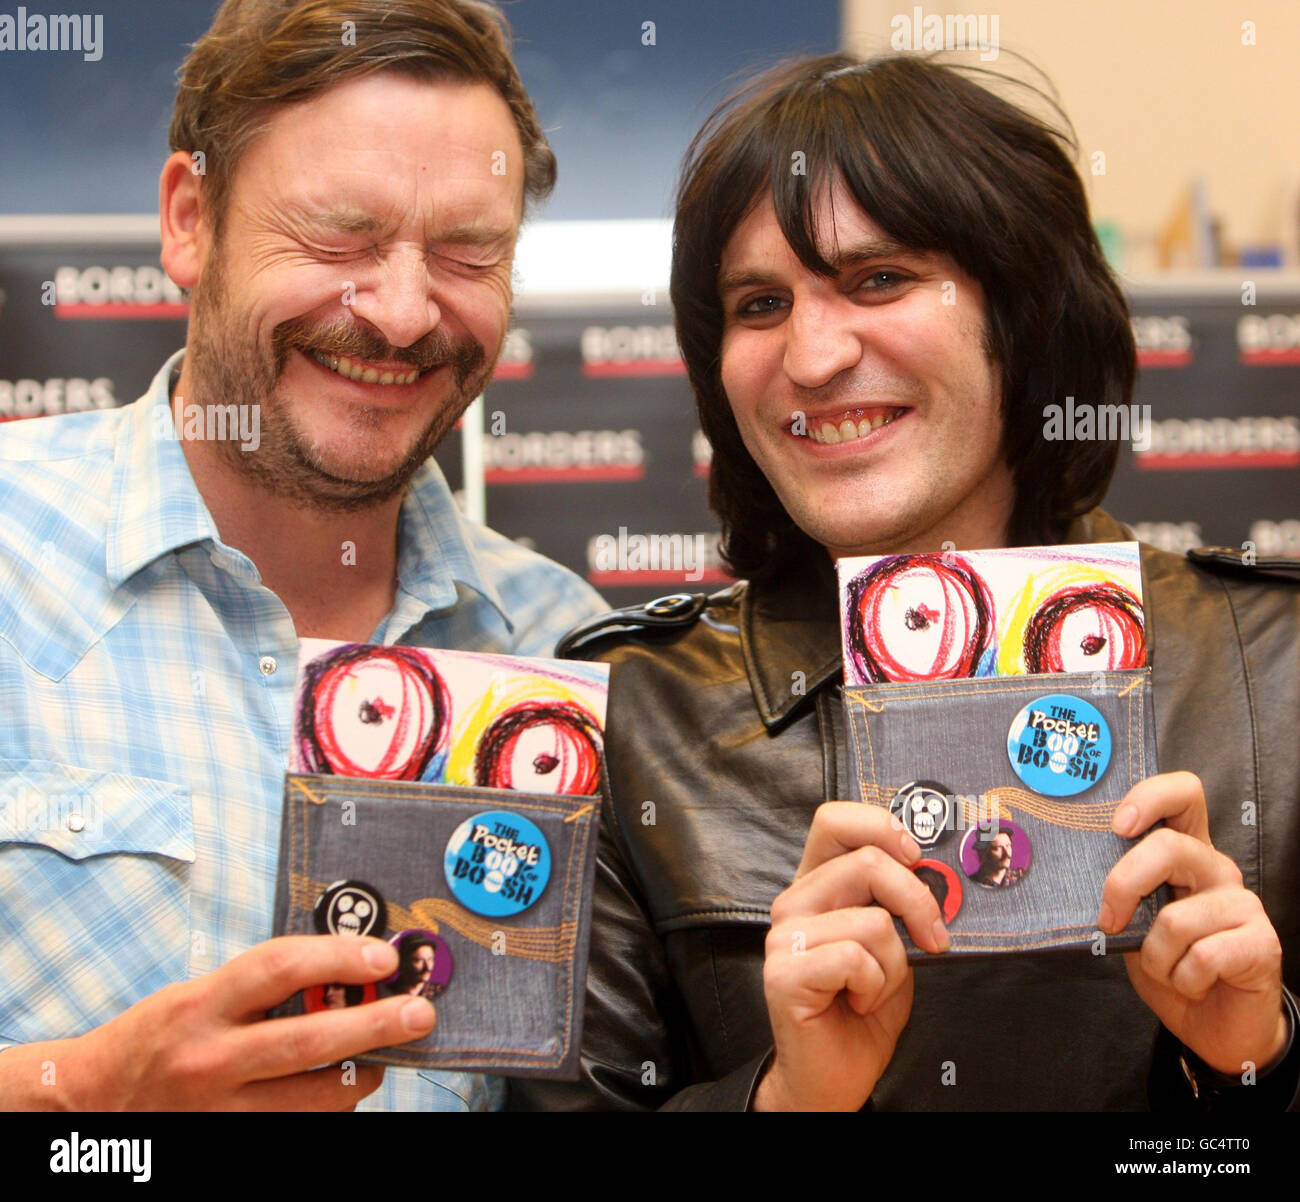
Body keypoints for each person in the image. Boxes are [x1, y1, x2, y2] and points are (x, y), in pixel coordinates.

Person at [510, 52, 1300, 1112]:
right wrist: (787, 1100)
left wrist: (1254, 1063)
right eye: (757, 303)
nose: (813, 354)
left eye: (877, 279)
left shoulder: (1279, 663)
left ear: (1022, 314)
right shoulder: (624, 715)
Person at [0, 0, 605, 1112]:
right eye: (340, 238)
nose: (402, 311)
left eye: (469, 253)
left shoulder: (556, 645)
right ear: (191, 219)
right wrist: (84, 1096)